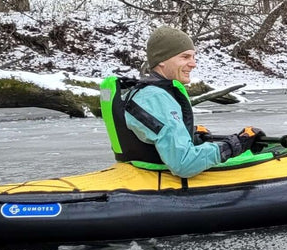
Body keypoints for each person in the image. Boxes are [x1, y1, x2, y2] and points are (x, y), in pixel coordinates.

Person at [99, 26, 264, 178]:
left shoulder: (142, 93)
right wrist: (235, 145)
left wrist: (189, 134)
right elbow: (184, 163)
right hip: (159, 181)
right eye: (185, 57)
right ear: (161, 60)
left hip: (140, 170)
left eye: (193, 56)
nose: (193, 64)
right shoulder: (156, 98)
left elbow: (151, 133)